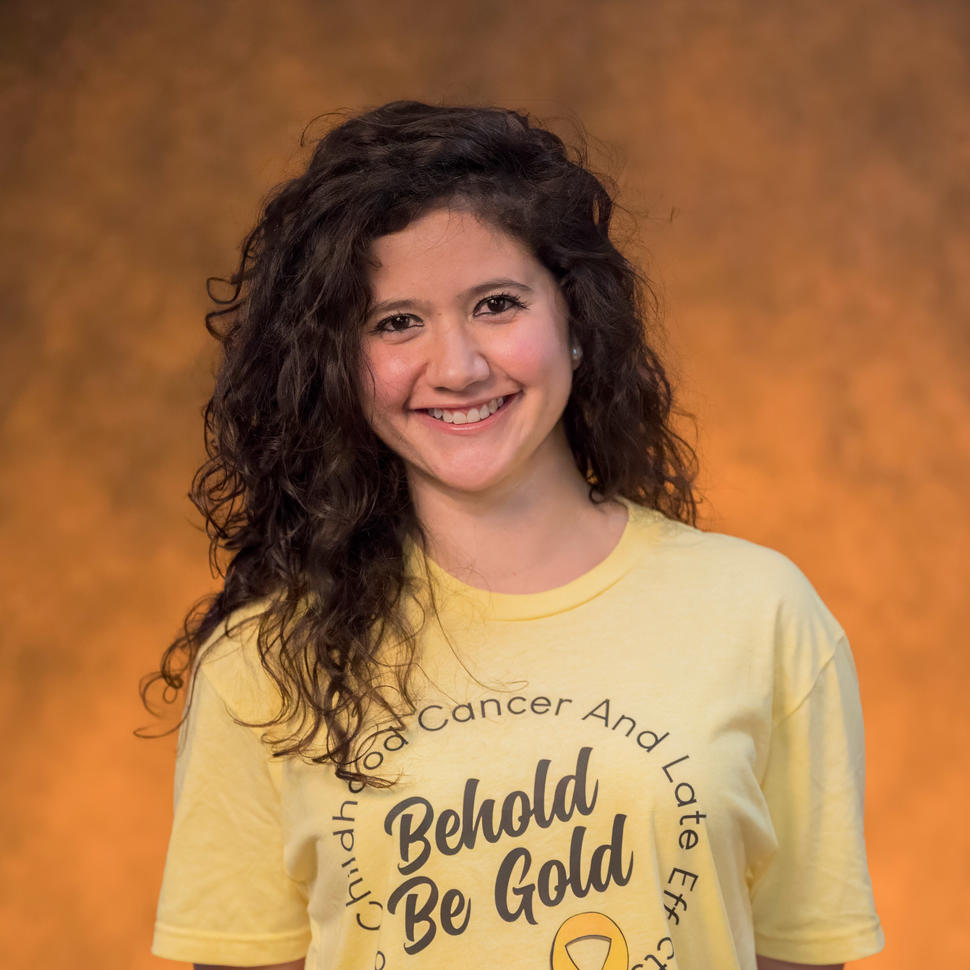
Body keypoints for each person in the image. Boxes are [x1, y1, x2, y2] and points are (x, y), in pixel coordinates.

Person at [144, 100, 884, 970]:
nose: (456, 367)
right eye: (395, 322)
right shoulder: (264, 658)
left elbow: (803, 956)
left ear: (575, 320)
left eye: (496, 304)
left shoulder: (760, 612)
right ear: (339, 366)